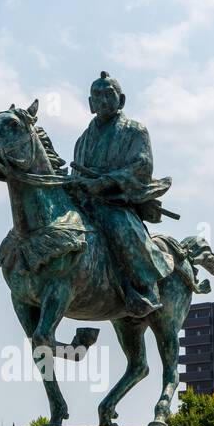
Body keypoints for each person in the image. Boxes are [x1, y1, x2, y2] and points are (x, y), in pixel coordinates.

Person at [69, 71, 174, 317]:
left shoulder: (134, 131)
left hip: (115, 201)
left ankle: (143, 287)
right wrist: (75, 184)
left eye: (109, 94)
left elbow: (141, 165)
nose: (103, 100)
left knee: (121, 228)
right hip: (84, 202)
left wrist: (105, 181)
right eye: (97, 96)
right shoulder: (82, 140)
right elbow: (76, 174)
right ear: (90, 103)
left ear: (121, 100)